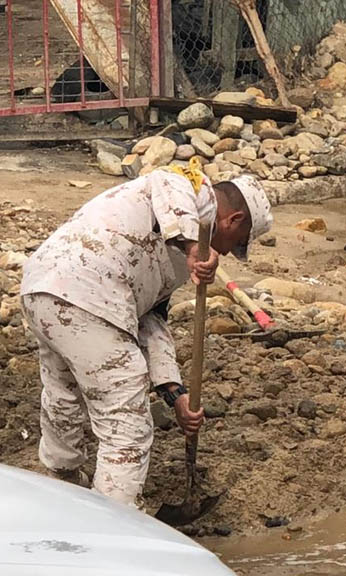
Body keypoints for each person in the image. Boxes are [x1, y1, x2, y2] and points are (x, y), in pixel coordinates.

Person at [20, 164, 273, 507]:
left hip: (44, 287)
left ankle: (61, 485)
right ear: (235, 220)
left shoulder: (180, 255)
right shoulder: (187, 184)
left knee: (63, 392)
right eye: (237, 243)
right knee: (126, 422)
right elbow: (167, 184)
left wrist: (175, 394)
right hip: (89, 288)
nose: (228, 253)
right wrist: (190, 245)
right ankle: (114, 525)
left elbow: (151, 320)